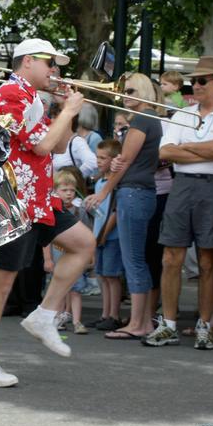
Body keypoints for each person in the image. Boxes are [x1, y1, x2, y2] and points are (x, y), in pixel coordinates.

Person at [0, 38, 96, 388]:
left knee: (83, 243)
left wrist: (66, 109)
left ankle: (44, 314)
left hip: (37, 199)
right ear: (27, 62)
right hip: (12, 202)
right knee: (0, 284)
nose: (55, 70)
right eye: (49, 62)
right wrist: (66, 111)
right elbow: (40, 145)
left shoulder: (34, 97)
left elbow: (62, 144)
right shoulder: (10, 93)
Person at [142, 57, 213, 350]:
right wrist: (205, 150)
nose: (195, 85)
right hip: (183, 185)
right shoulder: (182, 114)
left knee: (207, 259)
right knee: (170, 257)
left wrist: (185, 148)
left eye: (202, 80)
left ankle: (205, 324)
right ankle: (169, 325)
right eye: (194, 81)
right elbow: (167, 152)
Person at [86, 73, 162, 340]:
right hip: (138, 192)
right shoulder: (149, 118)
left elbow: (125, 160)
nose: (124, 94)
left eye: (130, 89)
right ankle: (143, 322)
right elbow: (123, 160)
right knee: (136, 260)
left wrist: (104, 191)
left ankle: (139, 324)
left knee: (134, 261)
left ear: (141, 91)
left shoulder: (142, 119)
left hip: (134, 193)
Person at [45, 169, 94, 335]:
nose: (69, 194)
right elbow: (46, 240)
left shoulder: (79, 212)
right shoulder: (52, 213)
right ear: (55, 191)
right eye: (64, 190)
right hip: (58, 257)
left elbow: (88, 234)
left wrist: (90, 256)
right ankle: (58, 318)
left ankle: (77, 321)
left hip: (75, 259)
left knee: (76, 290)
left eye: (72, 190)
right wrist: (47, 259)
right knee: (59, 290)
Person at [87, 139, 124, 331]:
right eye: (97, 157)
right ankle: (105, 313)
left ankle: (114, 314)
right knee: (102, 274)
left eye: (103, 158)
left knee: (112, 275)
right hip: (99, 234)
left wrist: (103, 233)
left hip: (111, 235)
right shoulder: (99, 181)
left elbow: (115, 211)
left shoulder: (114, 183)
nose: (99, 161)